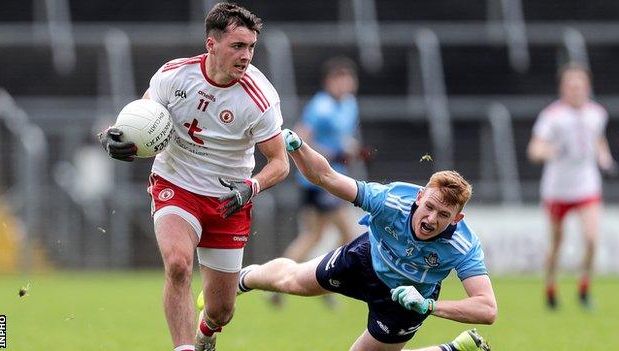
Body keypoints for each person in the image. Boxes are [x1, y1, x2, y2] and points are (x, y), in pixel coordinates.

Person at [98, 3, 289, 351]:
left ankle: (206, 332)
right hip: (176, 184)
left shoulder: (260, 99)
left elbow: (280, 163)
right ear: (211, 44)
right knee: (178, 265)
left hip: (229, 199)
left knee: (222, 311)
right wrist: (116, 137)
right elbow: (141, 118)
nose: (246, 56)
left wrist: (251, 187)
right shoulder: (173, 75)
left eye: (251, 47)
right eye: (237, 46)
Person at [237, 129, 497, 351]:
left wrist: (428, 305)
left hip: (407, 299)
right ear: (419, 197)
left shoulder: (463, 245)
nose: (431, 218)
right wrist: (298, 148)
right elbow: (327, 177)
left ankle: (452, 348)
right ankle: (242, 279)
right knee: (291, 281)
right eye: (429, 206)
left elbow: (487, 309)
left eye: (443, 215)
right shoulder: (391, 201)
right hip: (365, 260)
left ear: (457, 219)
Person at [272, 56, 361, 307]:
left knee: (315, 234)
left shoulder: (349, 104)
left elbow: (342, 138)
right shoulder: (320, 106)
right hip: (319, 180)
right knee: (346, 235)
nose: (346, 84)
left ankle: (284, 281)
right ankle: (324, 278)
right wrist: (330, 154)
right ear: (330, 81)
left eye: (348, 79)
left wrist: (349, 149)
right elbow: (300, 138)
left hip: (333, 178)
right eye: (341, 79)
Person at [527, 62, 616, 310]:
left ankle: (584, 288)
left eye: (581, 84)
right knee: (557, 242)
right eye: (571, 84)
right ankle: (551, 288)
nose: (576, 89)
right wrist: (549, 151)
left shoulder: (597, 113)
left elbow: (598, 139)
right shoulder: (551, 116)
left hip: (586, 186)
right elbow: (535, 149)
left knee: (591, 239)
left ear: (587, 87)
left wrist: (604, 158)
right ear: (563, 88)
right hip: (558, 188)